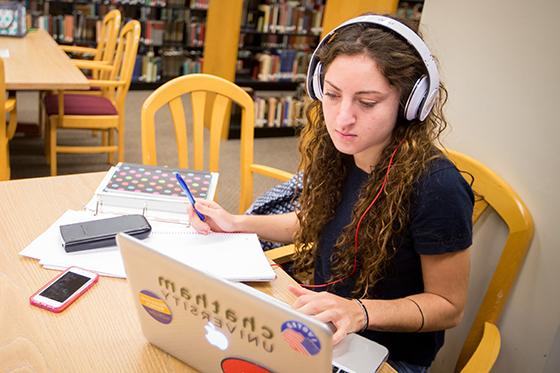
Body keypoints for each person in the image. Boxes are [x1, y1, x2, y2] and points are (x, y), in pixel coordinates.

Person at [189, 14, 473, 372]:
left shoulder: (437, 187)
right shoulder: (343, 152)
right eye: (333, 95)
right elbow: (318, 220)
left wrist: (359, 311)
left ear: (410, 103)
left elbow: (448, 305)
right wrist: (237, 223)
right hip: (322, 328)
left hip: (385, 356)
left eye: (367, 103)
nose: (342, 119)